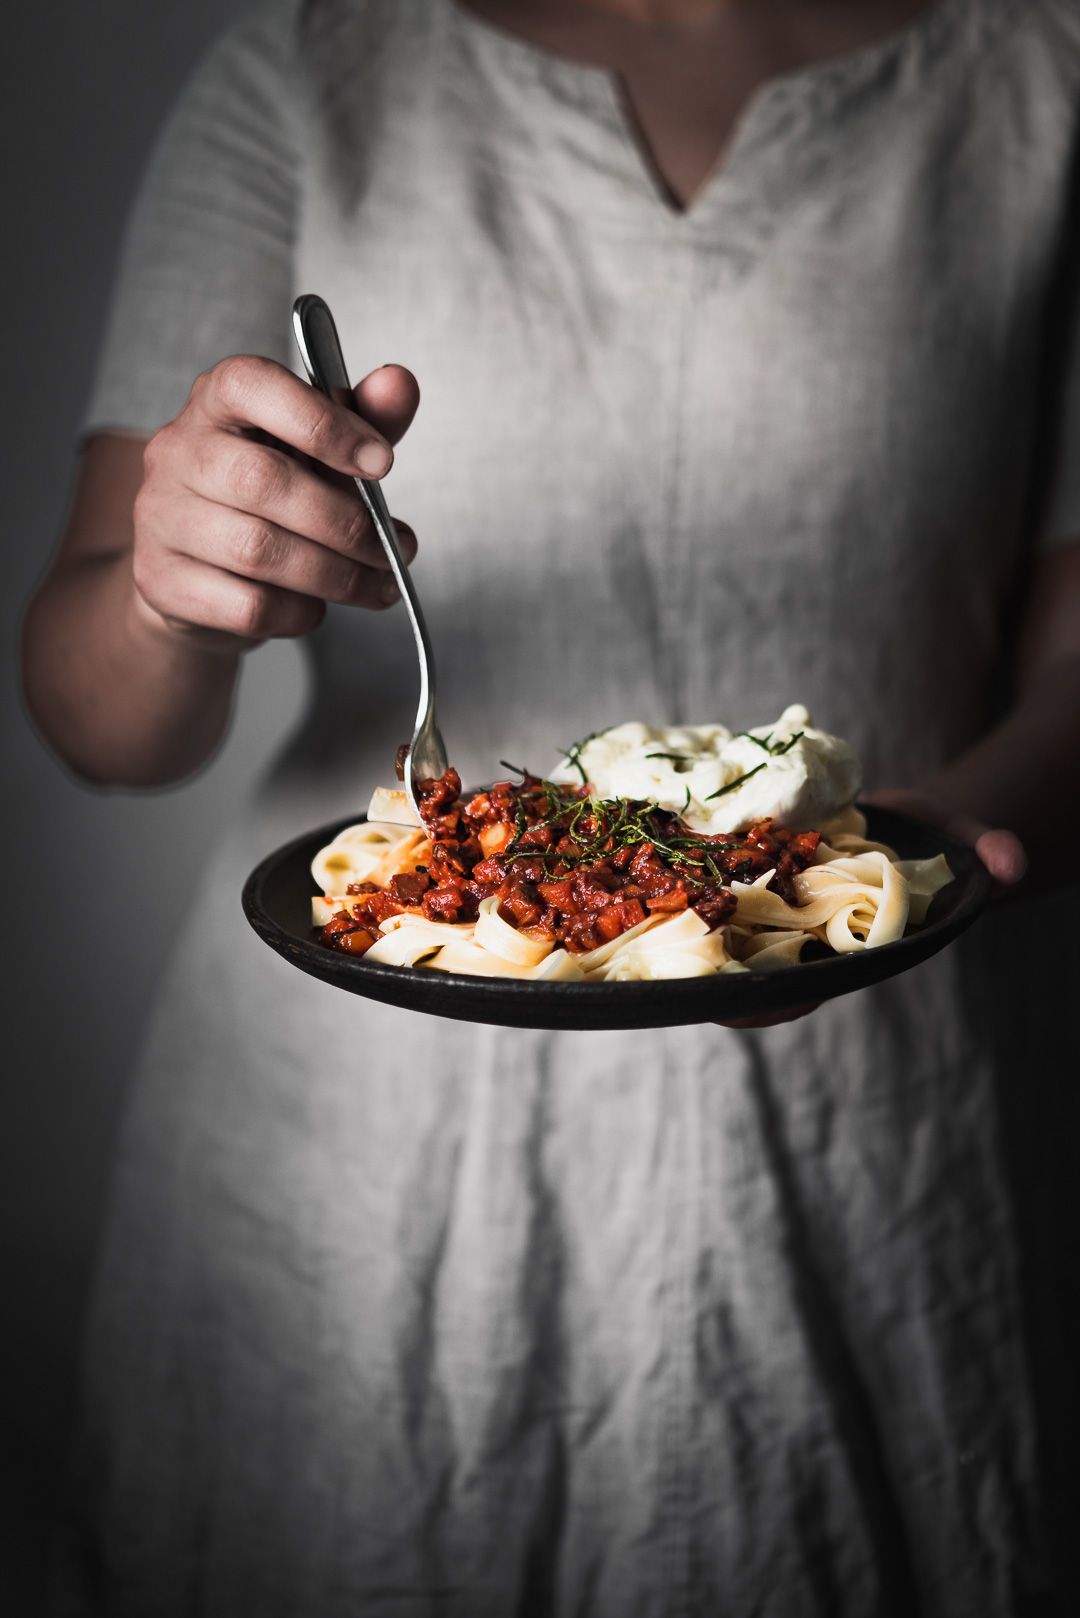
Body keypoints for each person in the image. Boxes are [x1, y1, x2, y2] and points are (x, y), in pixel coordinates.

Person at [21, 0, 1080, 1611]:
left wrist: (925, 845)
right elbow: (98, 719)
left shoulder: (1040, 81)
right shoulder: (308, 65)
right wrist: (170, 597)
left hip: (883, 1126)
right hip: (343, 1172)